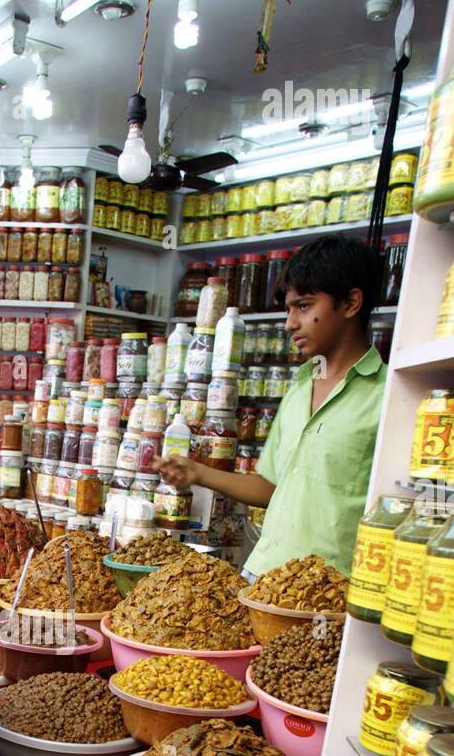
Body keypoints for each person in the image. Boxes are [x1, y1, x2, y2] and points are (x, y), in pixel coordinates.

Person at [156, 234, 387, 579]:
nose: (290, 323)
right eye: (289, 309)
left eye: (304, 306)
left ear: (351, 303)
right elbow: (270, 487)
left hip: (327, 591)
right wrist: (197, 473)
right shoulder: (299, 390)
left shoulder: (387, 397)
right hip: (262, 576)